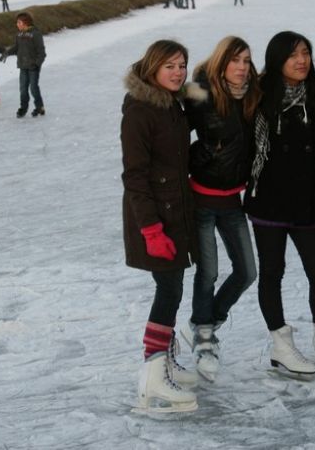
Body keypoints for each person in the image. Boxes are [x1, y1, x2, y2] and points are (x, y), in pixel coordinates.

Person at [243, 31, 315, 376]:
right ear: (277, 59)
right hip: (269, 199)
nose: (301, 61)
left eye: (304, 53)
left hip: (307, 198)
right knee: (272, 271)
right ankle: (281, 345)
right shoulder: (257, 94)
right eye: (292, 55)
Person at [121, 39, 199, 413]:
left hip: (175, 211)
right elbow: (134, 177)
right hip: (155, 216)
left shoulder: (172, 104)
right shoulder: (140, 112)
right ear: (153, 68)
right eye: (170, 66)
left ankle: (163, 359)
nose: (178, 72)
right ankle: (153, 374)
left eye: (182, 65)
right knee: (168, 290)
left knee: (172, 287)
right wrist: (151, 231)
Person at [180, 36, 260, 382]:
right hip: (201, 196)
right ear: (221, 62)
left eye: (246, 60)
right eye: (234, 60)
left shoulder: (252, 96)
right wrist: (194, 156)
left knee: (247, 272)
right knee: (209, 271)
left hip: (232, 199)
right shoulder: (200, 92)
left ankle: (206, 322)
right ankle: (204, 337)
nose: (241, 67)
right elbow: (173, 127)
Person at [0, 12, 46, 118]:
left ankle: (39, 107)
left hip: (33, 66)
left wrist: (37, 64)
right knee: (23, 89)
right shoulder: (19, 35)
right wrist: (6, 53)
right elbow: (16, 48)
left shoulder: (35, 34)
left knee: (33, 88)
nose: (17, 24)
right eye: (17, 22)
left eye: (19, 22)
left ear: (26, 22)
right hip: (23, 66)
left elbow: (41, 52)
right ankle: (23, 108)